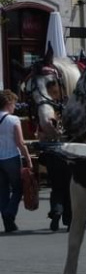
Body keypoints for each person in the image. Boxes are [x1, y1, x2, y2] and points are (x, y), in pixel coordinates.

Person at [0, 90, 33, 233]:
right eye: (13, 103)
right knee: (18, 188)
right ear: (8, 103)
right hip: (11, 157)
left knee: (3, 191)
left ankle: (8, 223)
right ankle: (10, 213)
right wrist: (28, 159)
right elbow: (20, 142)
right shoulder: (13, 120)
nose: (15, 106)